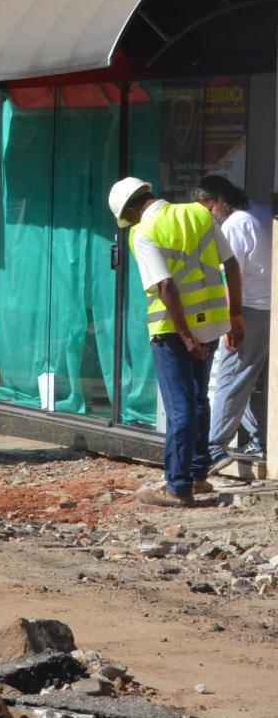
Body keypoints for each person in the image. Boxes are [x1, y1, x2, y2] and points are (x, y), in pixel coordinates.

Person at [109, 176, 243, 506]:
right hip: (211, 325)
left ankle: (178, 486)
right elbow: (231, 264)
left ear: (131, 209)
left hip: (174, 334)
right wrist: (235, 315)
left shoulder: (143, 232)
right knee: (199, 401)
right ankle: (197, 476)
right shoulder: (199, 214)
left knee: (180, 409)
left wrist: (185, 337)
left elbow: (165, 287)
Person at [196, 175, 271, 464]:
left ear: (220, 201)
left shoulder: (235, 225)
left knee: (231, 376)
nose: (209, 215)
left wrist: (232, 319)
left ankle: (214, 447)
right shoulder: (261, 212)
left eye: (209, 208)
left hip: (248, 309)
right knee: (256, 381)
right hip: (268, 310)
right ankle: (263, 440)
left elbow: (231, 275)